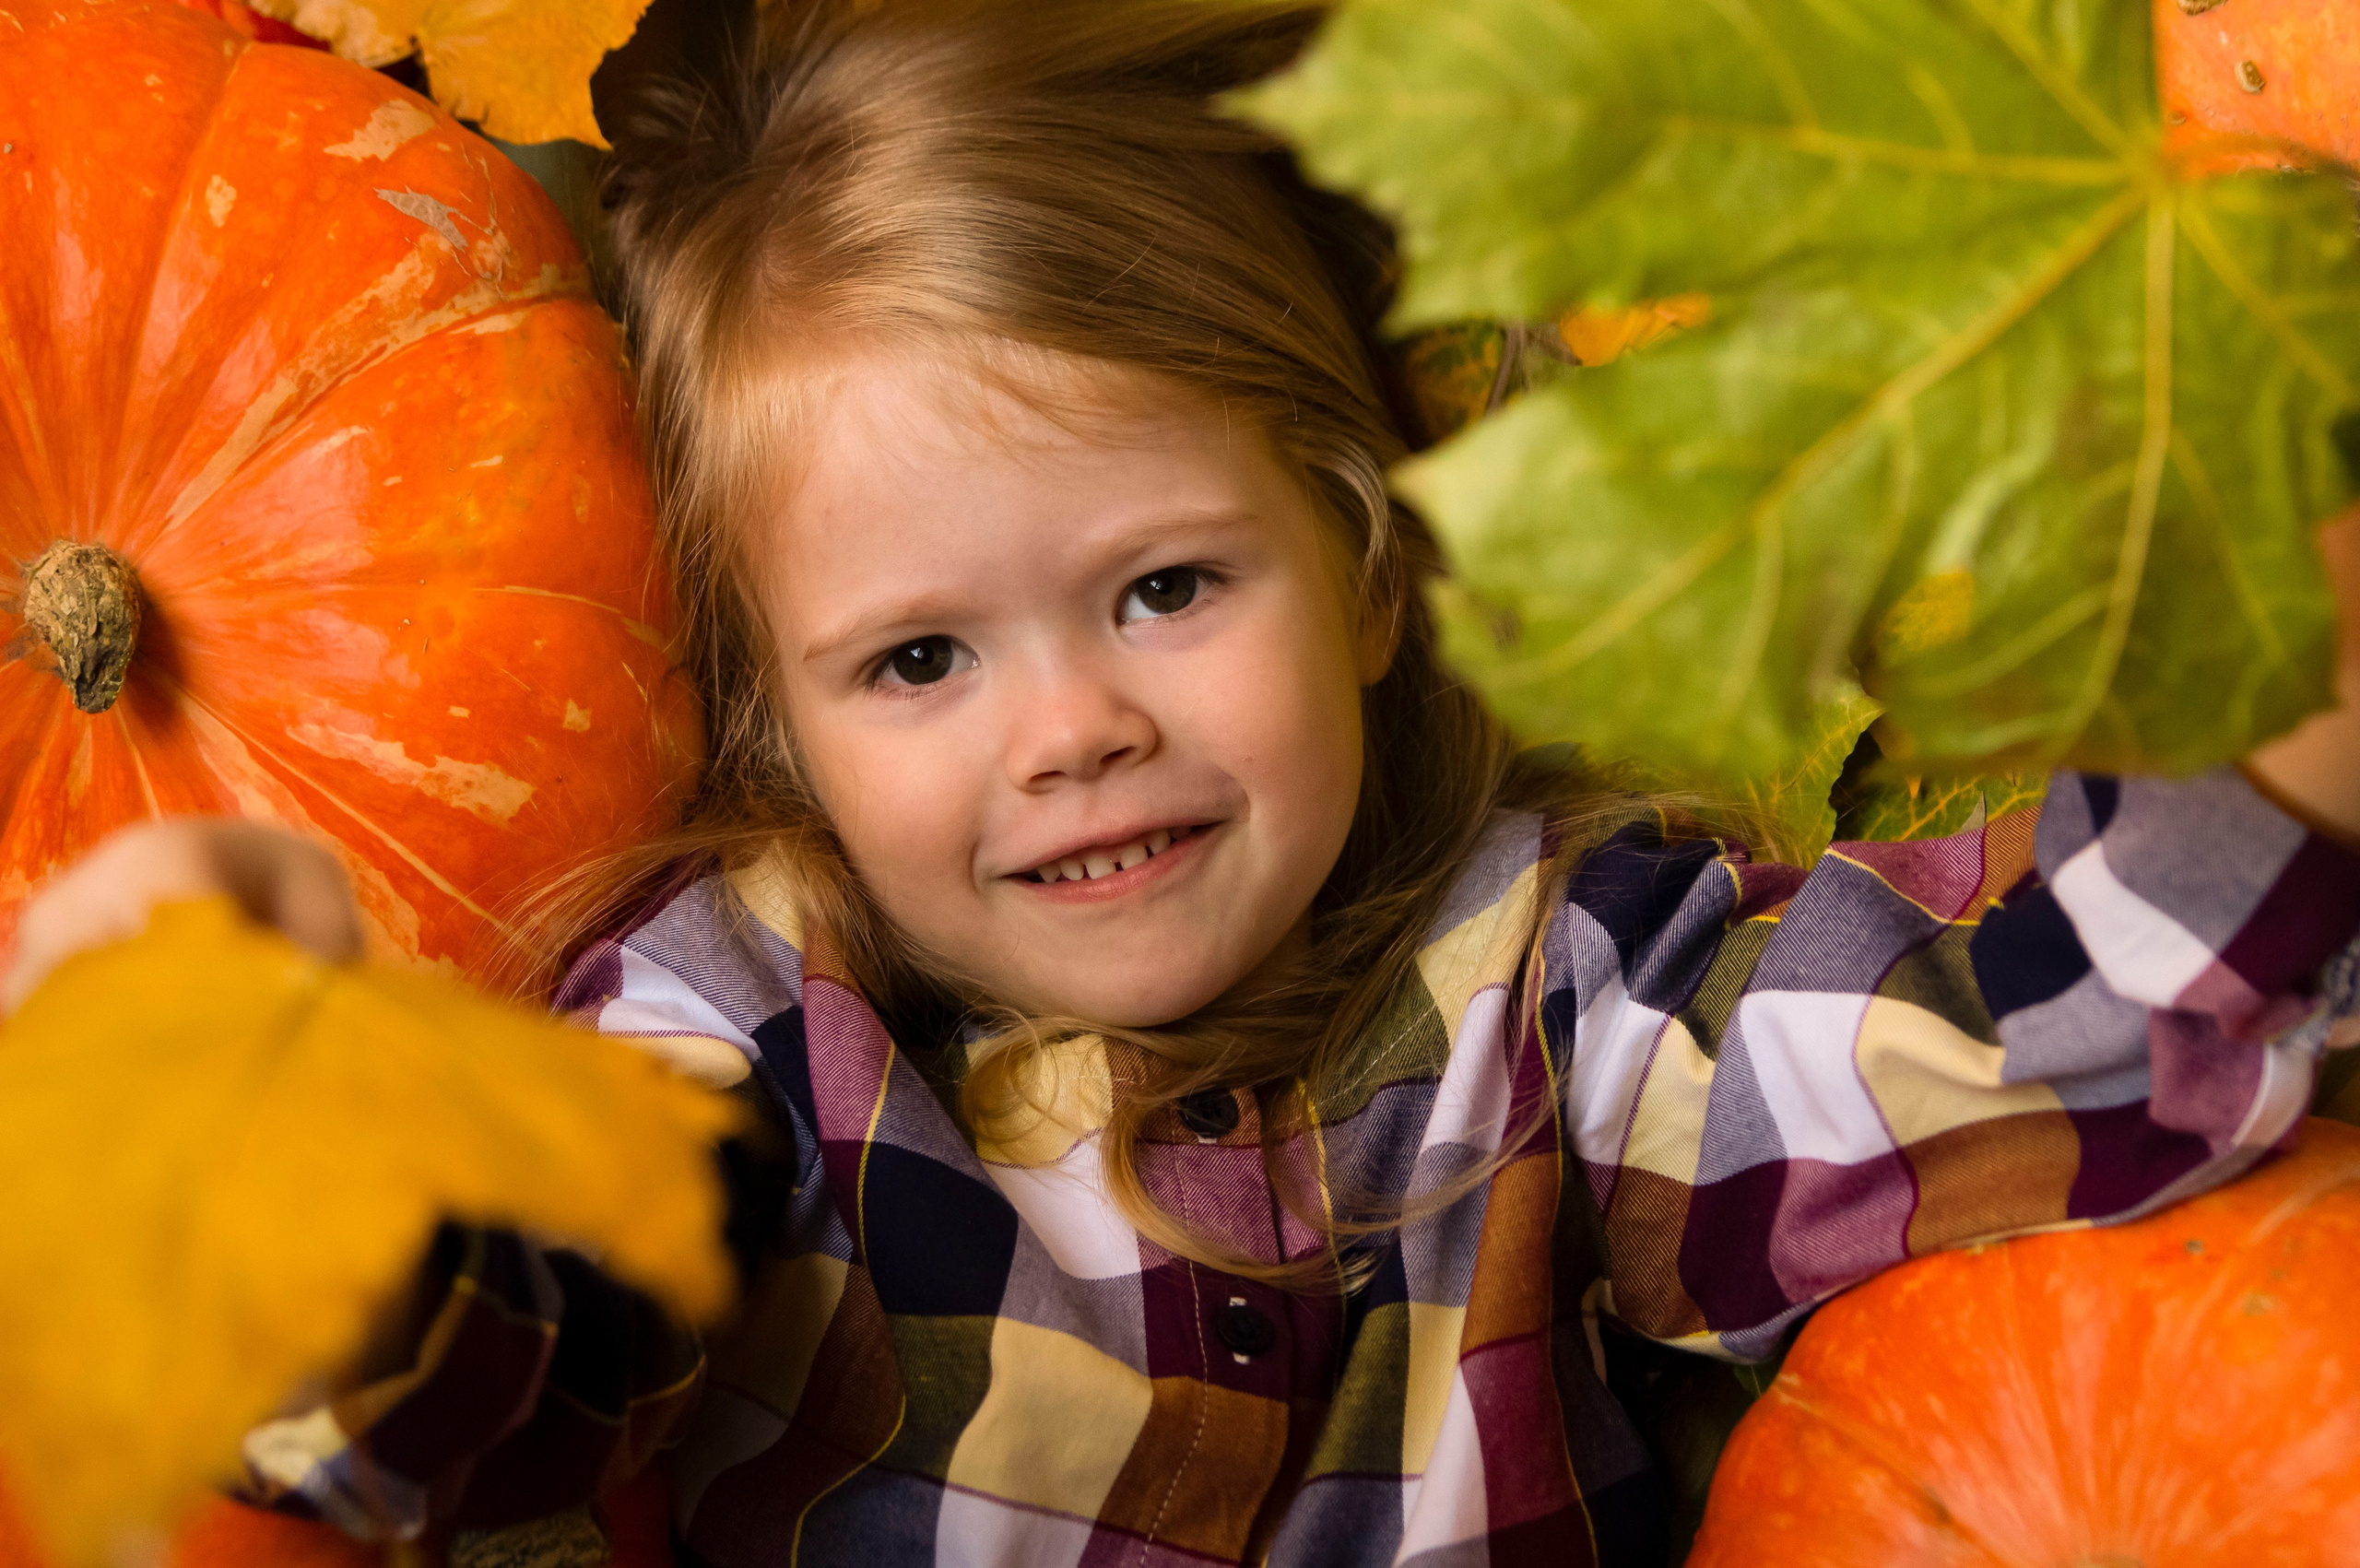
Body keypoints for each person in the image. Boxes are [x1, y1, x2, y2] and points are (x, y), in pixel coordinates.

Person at [9, 1, 2360, 1562]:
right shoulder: (739, 1043)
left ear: (1363, 567)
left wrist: (2282, 730)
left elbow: (1960, 1050)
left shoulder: (1550, 989)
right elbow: (500, 1369)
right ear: (778, 724)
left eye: (1161, 587)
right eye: (917, 657)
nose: (1070, 728)